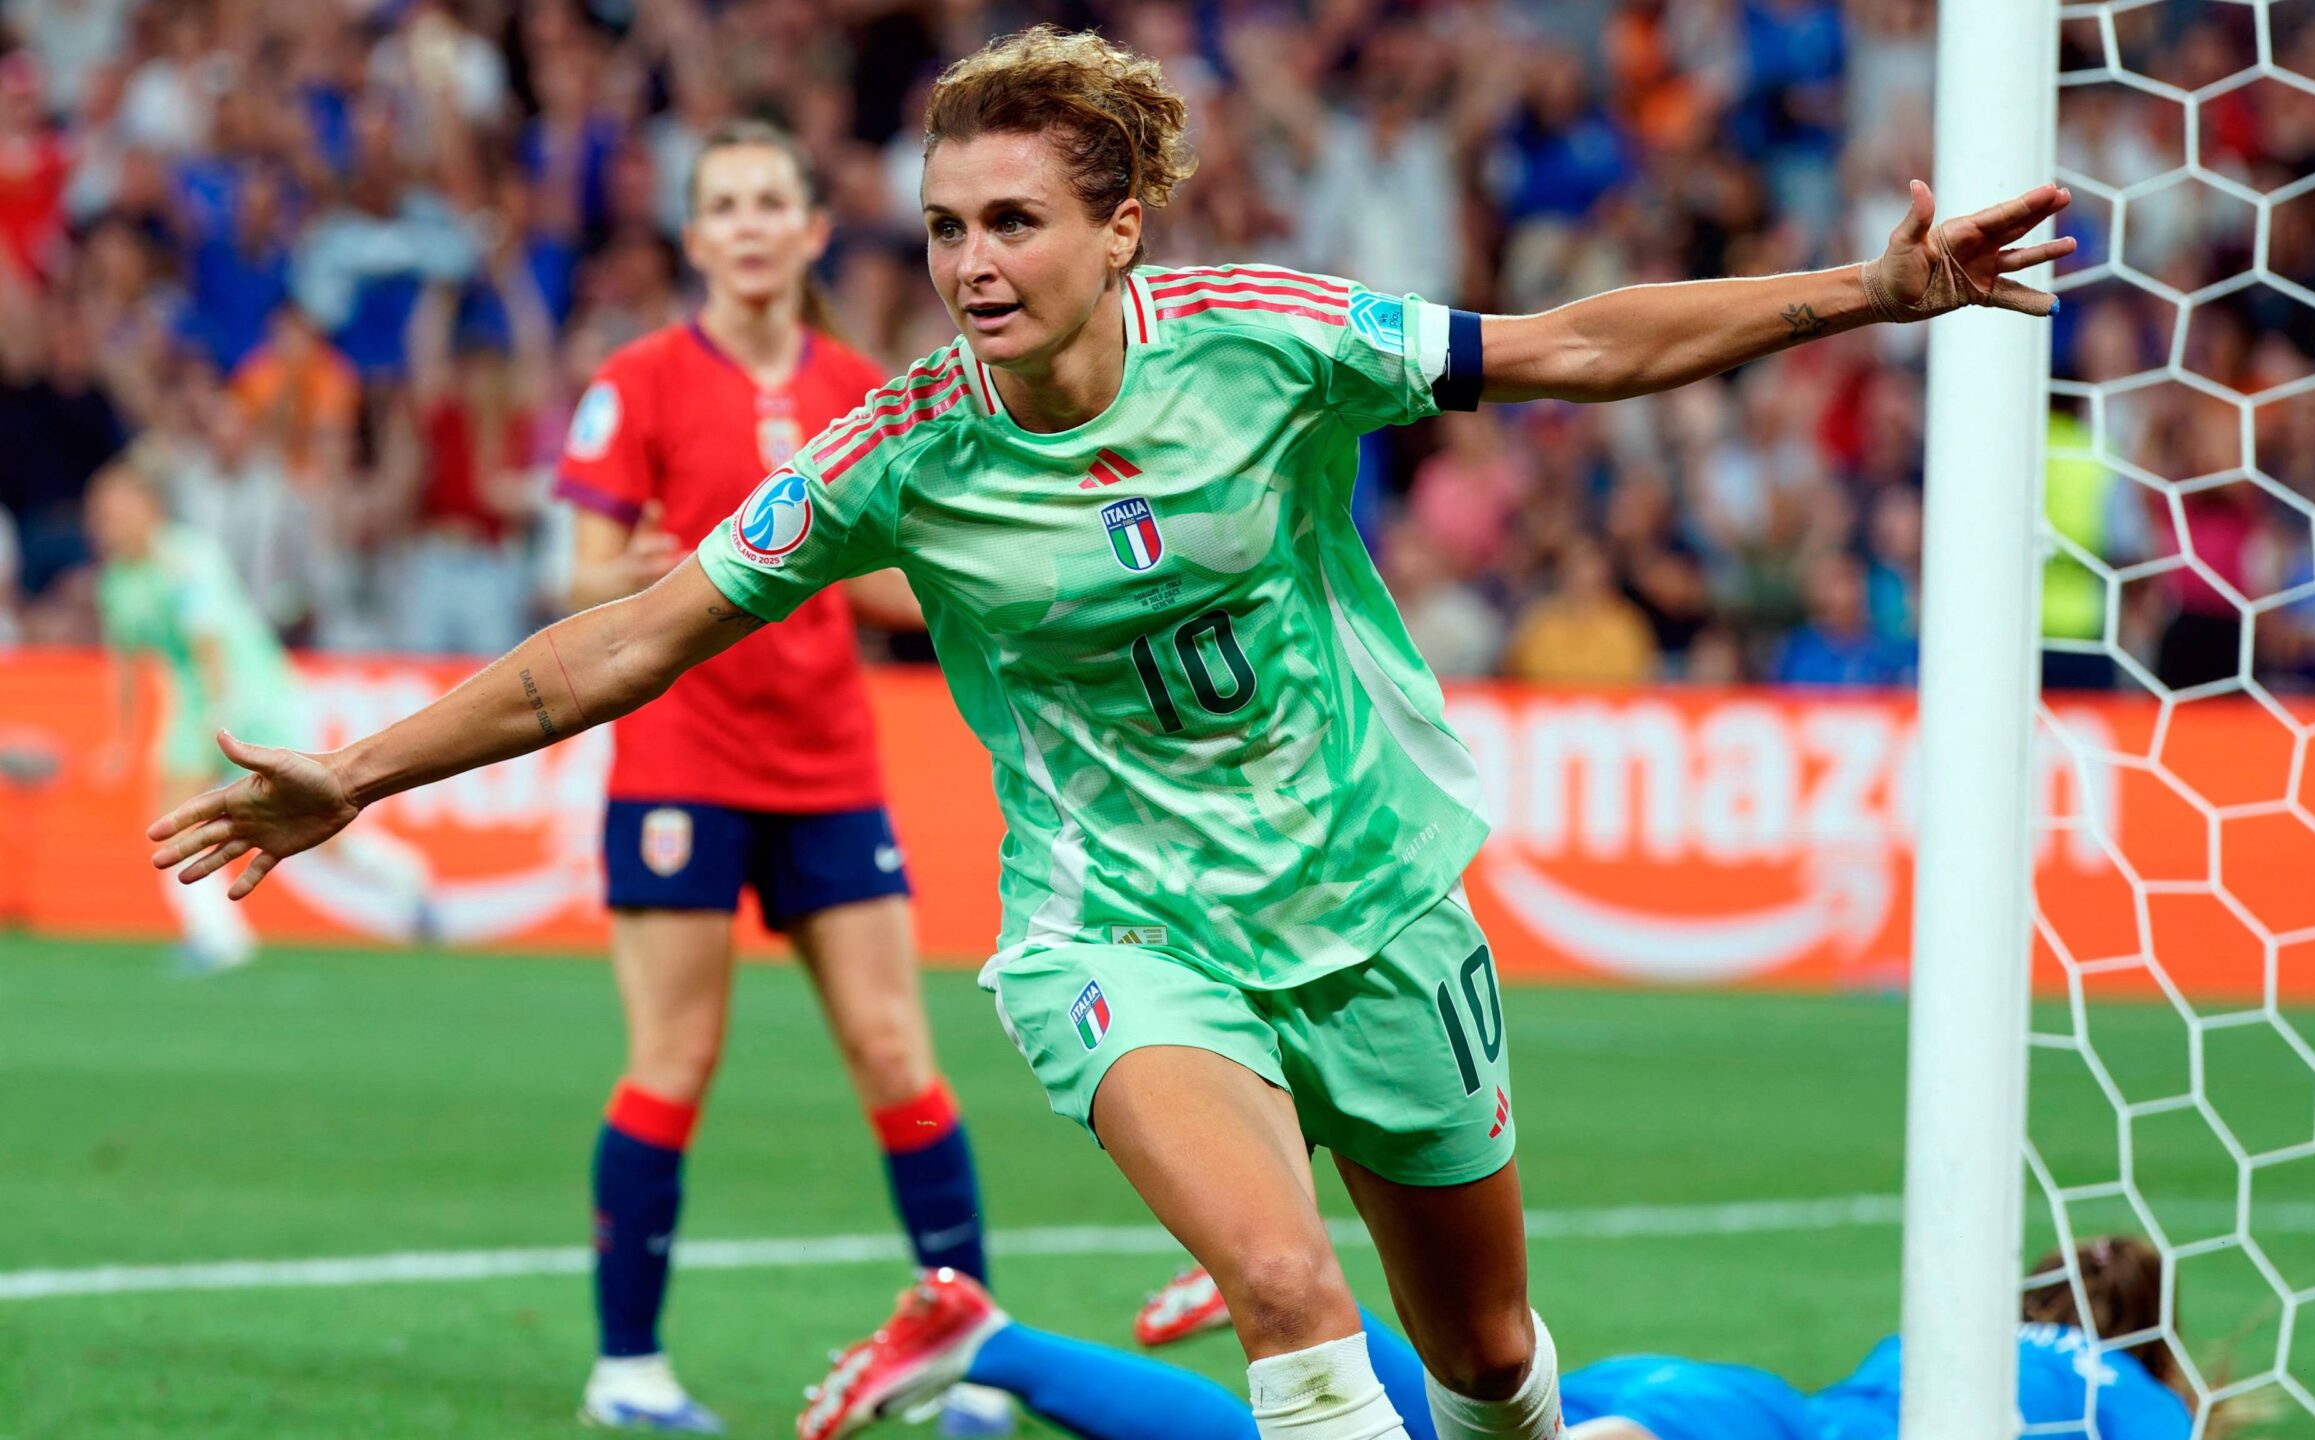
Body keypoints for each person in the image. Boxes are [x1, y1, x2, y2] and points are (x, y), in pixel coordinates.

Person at [147, 28, 2072, 1440]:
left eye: (1014, 221)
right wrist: (360, 769)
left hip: (1373, 902)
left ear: (1120, 228)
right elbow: (630, 638)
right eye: (943, 227)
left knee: (1486, 1361)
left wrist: (1870, 291)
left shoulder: (1266, 336)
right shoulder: (898, 451)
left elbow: (1565, 347)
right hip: (1122, 932)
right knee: (1286, 1290)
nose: (971, 263)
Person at [547, 119, 994, 1434]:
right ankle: (627, 1368)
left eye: (769, 203)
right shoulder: (637, 378)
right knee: (675, 1057)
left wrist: (983, 587)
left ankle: (973, 1354)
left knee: (896, 1051)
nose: (748, 225)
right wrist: (627, 577)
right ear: (694, 238)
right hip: (680, 764)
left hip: (827, 765)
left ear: (811, 231)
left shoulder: (863, 385)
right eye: (725, 205)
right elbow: (576, 579)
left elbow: (898, 584)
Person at [798, 1238, 2193, 1440]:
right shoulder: (2146, 1410)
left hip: (1710, 1398)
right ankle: (1297, 1298)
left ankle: (987, 1339)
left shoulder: (1951, 1339)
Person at [89, 463, 431, 970]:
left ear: (149, 507)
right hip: (195, 700)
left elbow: (209, 640)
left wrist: (219, 716)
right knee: (170, 819)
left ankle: (406, 876)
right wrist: (121, 740)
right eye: (101, 513)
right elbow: (123, 667)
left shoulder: (185, 558)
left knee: (308, 819)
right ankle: (218, 937)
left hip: (250, 694)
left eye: (118, 509)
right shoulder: (117, 583)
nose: (107, 522)